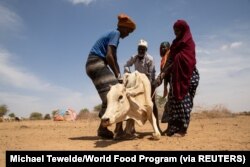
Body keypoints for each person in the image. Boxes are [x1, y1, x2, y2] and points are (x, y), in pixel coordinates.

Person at [85, 13, 136, 139]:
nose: (128, 34)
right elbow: (109, 56)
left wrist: (118, 75)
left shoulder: (113, 35)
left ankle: (104, 128)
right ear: (123, 28)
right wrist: (118, 75)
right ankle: (118, 131)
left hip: (93, 64)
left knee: (109, 96)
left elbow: (113, 58)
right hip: (96, 63)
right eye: (128, 31)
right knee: (116, 93)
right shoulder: (116, 34)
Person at [154, 20, 199, 136]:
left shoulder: (189, 42)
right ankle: (172, 128)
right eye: (174, 31)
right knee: (173, 103)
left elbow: (181, 60)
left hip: (187, 76)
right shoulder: (174, 44)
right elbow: (170, 59)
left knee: (183, 101)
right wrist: (162, 75)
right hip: (175, 78)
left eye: (178, 31)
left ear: (184, 30)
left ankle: (182, 130)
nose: (176, 33)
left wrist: (165, 72)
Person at [123, 39, 156, 135]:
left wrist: (151, 85)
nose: (141, 51)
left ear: (146, 50)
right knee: (132, 104)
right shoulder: (134, 57)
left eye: (143, 49)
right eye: (139, 49)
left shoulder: (150, 59)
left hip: (146, 82)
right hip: (135, 81)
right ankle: (130, 129)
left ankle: (156, 126)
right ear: (137, 49)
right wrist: (128, 72)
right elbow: (126, 65)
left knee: (150, 104)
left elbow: (152, 73)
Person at [158, 41, 171, 123]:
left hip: (175, 81)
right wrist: (165, 87)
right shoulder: (163, 59)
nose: (162, 49)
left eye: (164, 47)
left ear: (168, 48)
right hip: (170, 82)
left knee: (172, 101)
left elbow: (167, 69)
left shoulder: (170, 55)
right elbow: (164, 75)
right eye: (161, 47)